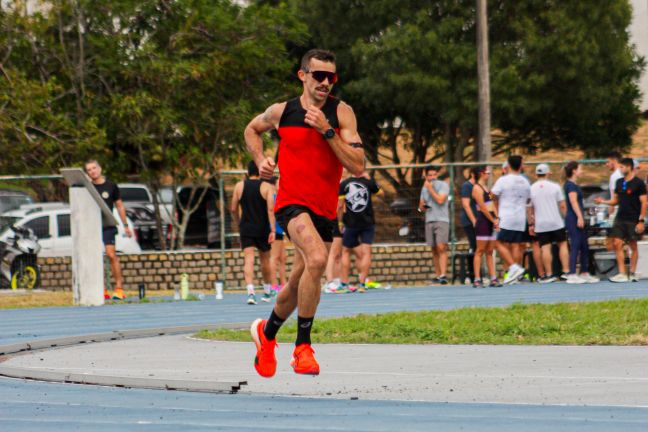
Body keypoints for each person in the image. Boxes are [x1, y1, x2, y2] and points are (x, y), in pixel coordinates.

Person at [244, 49, 364, 377]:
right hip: (291, 203)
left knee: (299, 281)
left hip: (324, 210)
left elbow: (357, 165)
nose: (325, 82)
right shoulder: (282, 112)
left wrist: (327, 131)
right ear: (303, 75)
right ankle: (302, 347)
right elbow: (251, 130)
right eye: (318, 76)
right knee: (316, 259)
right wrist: (260, 161)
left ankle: (266, 335)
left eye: (331, 77)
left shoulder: (342, 114)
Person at [84, 160, 133, 300]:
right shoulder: (87, 187)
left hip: (107, 226)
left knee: (111, 255)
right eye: (89, 170)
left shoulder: (111, 186)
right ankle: (102, 289)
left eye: (94, 168)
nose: (92, 171)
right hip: (92, 226)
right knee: (95, 258)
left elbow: (119, 206)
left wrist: (125, 226)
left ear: (100, 168)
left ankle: (118, 288)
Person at [230, 161, 276, 305]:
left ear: (247, 172)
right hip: (263, 228)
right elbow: (270, 210)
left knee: (248, 260)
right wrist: (273, 229)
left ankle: (251, 293)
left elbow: (233, 208)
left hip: (246, 228)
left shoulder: (239, 186)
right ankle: (267, 292)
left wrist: (238, 223)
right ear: (261, 172)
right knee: (265, 261)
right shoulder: (267, 186)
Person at [595, 157, 647, 282]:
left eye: (622, 167)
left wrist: (640, 221)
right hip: (620, 218)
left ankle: (633, 273)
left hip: (633, 218)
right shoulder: (619, 182)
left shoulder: (639, 183)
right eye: (620, 167)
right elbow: (615, 201)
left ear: (629, 167)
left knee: (633, 246)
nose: (621, 169)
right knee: (617, 244)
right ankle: (622, 273)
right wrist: (603, 202)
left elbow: (644, 203)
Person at [339, 171, 382, 293]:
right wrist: (370, 180)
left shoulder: (344, 184)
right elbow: (381, 193)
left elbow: (340, 205)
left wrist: (340, 222)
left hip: (351, 223)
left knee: (345, 251)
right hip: (368, 222)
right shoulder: (368, 183)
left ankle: (344, 284)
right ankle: (362, 283)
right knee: (366, 251)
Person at [528, 164, 570, 283]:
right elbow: (562, 205)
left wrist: (531, 224)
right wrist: (568, 218)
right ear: (548, 174)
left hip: (541, 224)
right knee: (562, 244)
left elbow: (529, 208)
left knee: (545, 247)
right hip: (556, 222)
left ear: (536, 174)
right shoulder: (555, 186)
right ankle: (566, 272)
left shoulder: (531, 188)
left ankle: (549, 274)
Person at [492, 155, 529, 284]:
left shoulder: (503, 180)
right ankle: (515, 275)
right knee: (516, 245)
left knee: (497, 243)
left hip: (506, 216)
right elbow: (528, 199)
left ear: (508, 165)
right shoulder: (525, 181)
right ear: (520, 165)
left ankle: (514, 268)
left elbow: (492, 195)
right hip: (520, 217)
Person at [564, 161, 599, 283]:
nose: (582, 171)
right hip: (573, 218)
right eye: (580, 168)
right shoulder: (570, 186)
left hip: (579, 217)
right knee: (576, 244)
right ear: (574, 170)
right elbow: (573, 202)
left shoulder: (575, 185)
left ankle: (584, 272)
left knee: (584, 245)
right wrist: (579, 217)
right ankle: (572, 273)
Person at [471, 166, 501, 288]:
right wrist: (493, 220)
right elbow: (483, 208)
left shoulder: (486, 188)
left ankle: (493, 278)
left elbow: (491, 203)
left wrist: (497, 218)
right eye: (487, 173)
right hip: (484, 221)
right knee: (480, 251)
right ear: (481, 173)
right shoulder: (476, 188)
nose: (489, 175)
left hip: (491, 220)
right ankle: (477, 279)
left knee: (490, 251)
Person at [419, 166, 450, 285]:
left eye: (434, 175)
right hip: (429, 220)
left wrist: (430, 189)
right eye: (429, 175)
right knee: (434, 249)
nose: (432, 177)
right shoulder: (424, 188)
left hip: (441, 220)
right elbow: (420, 207)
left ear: (437, 175)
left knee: (441, 247)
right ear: (426, 176)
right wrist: (422, 206)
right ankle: (438, 275)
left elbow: (441, 200)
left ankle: (443, 275)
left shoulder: (443, 185)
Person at [268, 177, 287, 294]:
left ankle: (284, 283)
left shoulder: (280, 197)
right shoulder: (272, 198)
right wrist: (273, 230)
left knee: (283, 258)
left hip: (281, 231)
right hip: (276, 231)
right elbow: (271, 213)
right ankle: (273, 285)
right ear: (274, 185)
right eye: (279, 183)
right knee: (274, 258)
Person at [460, 168, 478, 253]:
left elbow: (489, 199)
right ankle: (471, 266)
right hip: (469, 221)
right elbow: (466, 205)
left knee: (479, 246)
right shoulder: (467, 186)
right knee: (473, 244)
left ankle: (477, 266)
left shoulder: (481, 186)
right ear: (473, 174)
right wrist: (473, 220)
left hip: (480, 220)